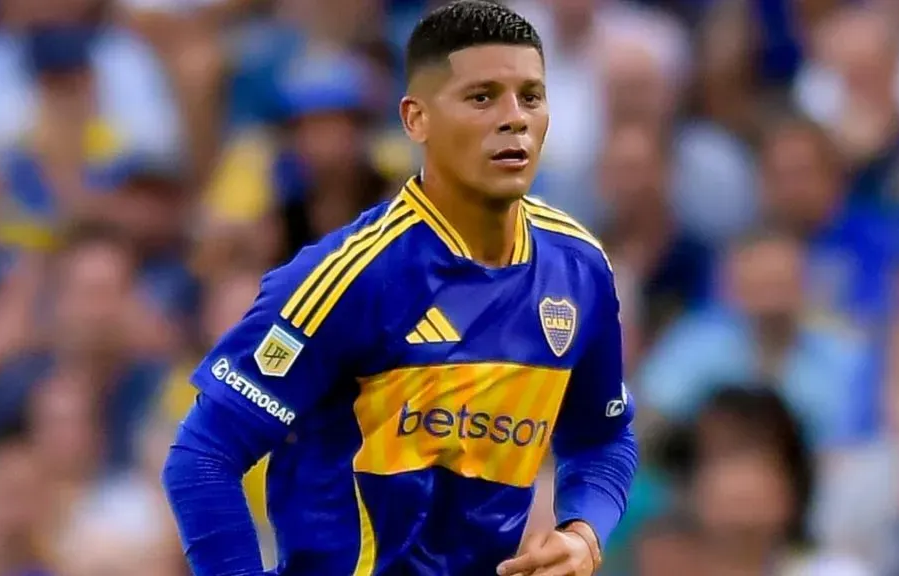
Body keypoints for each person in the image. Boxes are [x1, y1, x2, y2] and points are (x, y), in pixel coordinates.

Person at [161, 2, 638, 576]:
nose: (514, 119)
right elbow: (203, 456)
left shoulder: (578, 267)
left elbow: (603, 437)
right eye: (482, 97)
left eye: (530, 97)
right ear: (416, 120)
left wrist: (583, 532)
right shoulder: (350, 276)